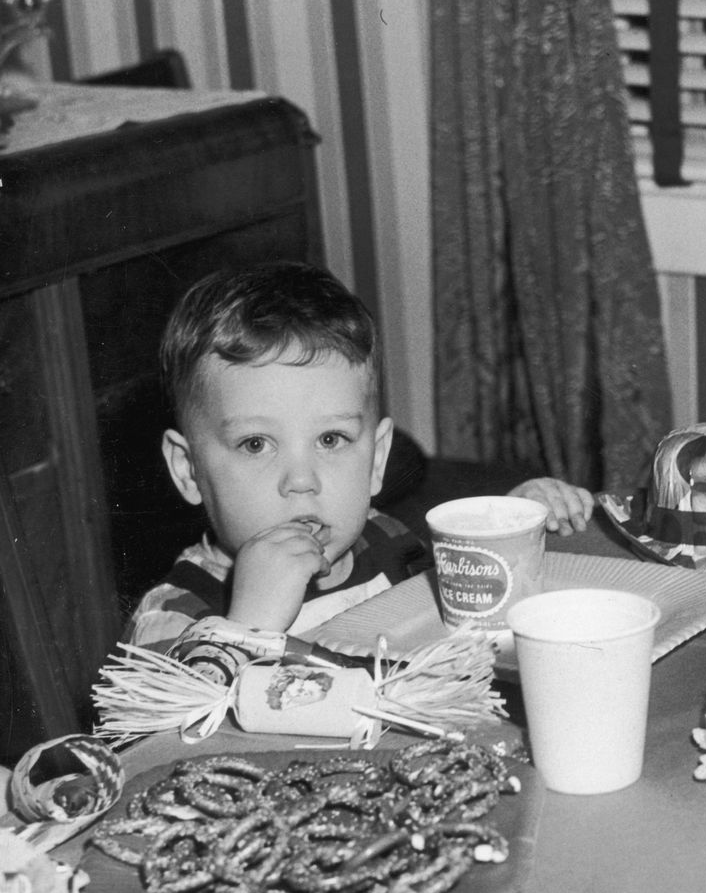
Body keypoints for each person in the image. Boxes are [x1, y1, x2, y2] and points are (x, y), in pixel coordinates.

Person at [125, 261, 595, 653]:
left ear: (376, 459)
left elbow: (464, 610)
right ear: (189, 470)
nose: (302, 480)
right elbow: (161, 745)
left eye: (330, 439)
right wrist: (247, 626)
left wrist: (507, 531)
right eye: (255, 444)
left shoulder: (389, 541)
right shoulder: (172, 617)